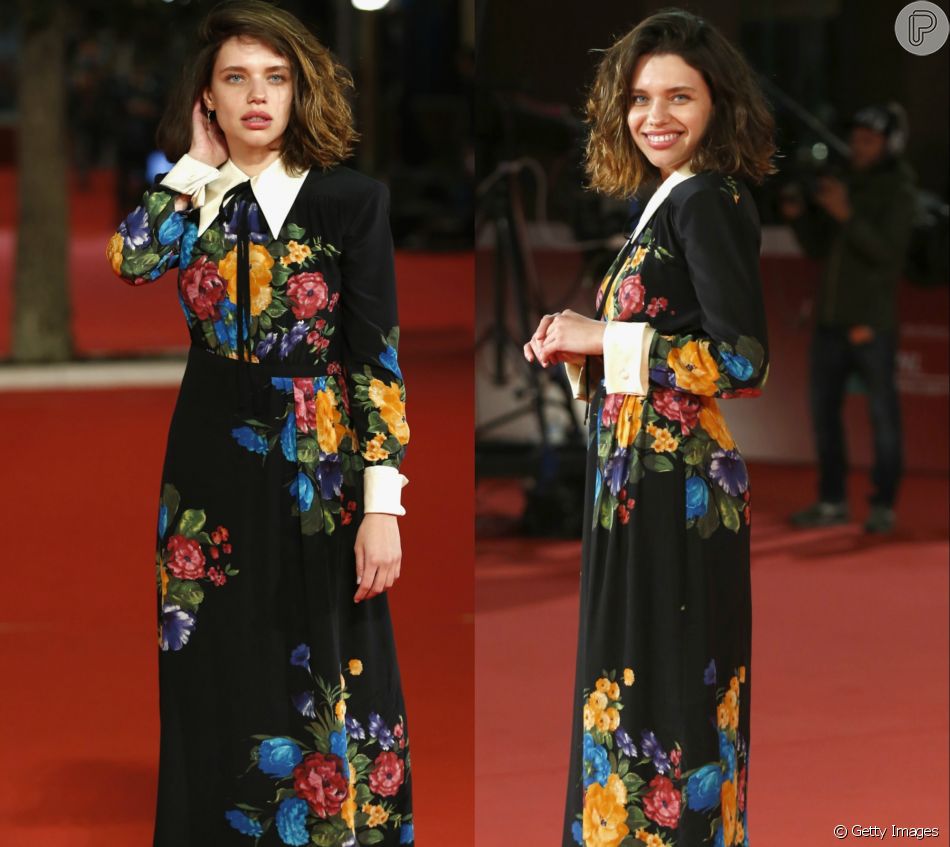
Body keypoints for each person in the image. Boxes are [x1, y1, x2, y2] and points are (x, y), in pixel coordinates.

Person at [106, 3, 414, 844]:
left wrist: (382, 503)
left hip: (317, 460)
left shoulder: (351, 200)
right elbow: (130, 260)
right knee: (209, 658)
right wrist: (193, 165)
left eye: (275, 78)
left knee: (319, 656)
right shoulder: (192, 199)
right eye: (235, 78)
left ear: (299, 90)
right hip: (206, 459)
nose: (257, 96)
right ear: (206, 97)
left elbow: (376, 361)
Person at [524, 10, 773, 845]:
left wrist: (604, 336)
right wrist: (582, 345)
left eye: (679, 97)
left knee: (666, 692)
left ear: (718, 105)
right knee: (636, 686)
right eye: (639, 98)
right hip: (636, 481)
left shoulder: (707, 199)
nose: (654, 116)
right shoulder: (669, 199)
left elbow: (742, 361)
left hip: (677, 490)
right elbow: (658, 349)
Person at [782, 103, 916, 535]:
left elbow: (888, 255)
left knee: (882, 418)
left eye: (869, 140)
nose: (858, 146)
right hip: (829, 321)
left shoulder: (899, 190)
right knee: (824, 417)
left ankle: (884, 505)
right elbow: (820, 249)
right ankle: (832, 500)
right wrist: (800, 218)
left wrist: (846, 213)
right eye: (856, 138)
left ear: (889, 145)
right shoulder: (844, 181)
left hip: (871, 324)